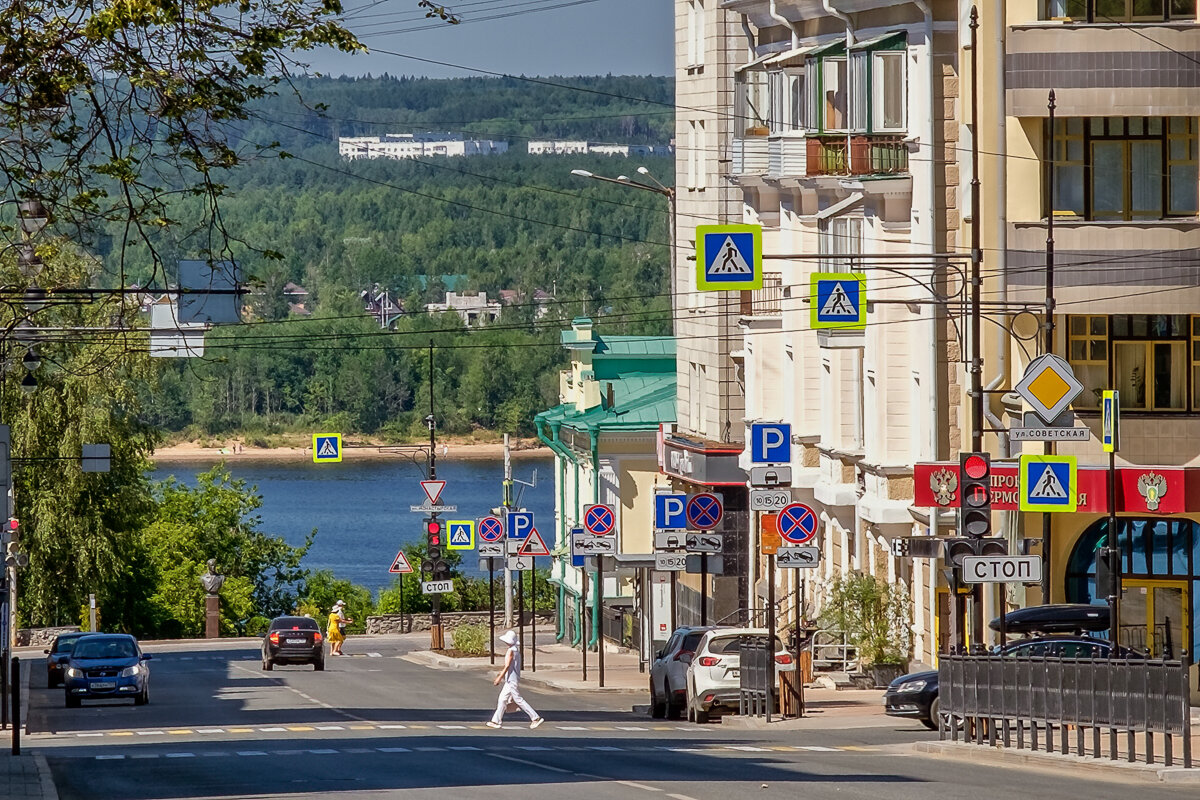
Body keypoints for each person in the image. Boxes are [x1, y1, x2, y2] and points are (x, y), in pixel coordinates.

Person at [487, 630, 543, 729]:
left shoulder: (511, 651)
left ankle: (535, 717)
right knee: (502, 699)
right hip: (511, 679)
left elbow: (507, 665)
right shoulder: (516, 650)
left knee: (518, 699)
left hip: (511, 680)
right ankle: (495, 721)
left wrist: (499, 677)